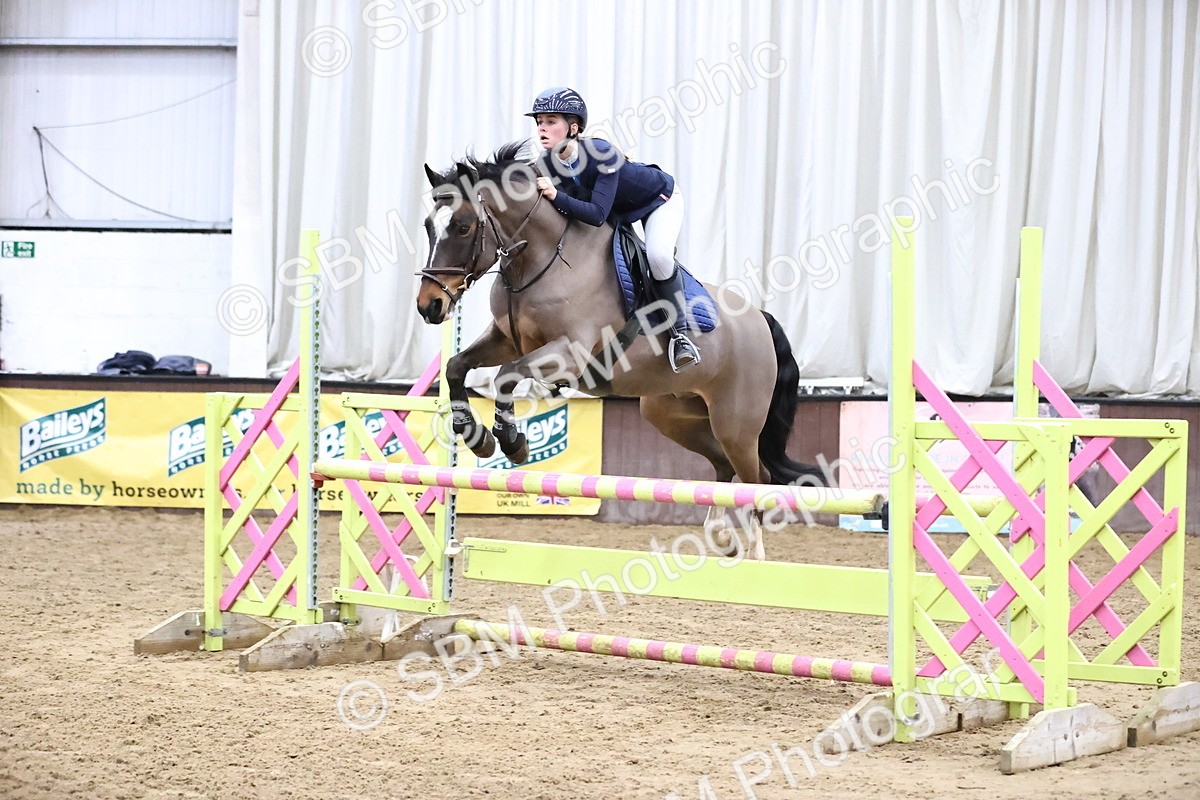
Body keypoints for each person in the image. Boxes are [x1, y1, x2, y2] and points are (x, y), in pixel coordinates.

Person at [525, 87, 700, 372]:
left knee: (658, 257)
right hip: (619, 210)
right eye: (539, 122)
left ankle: (680, 337)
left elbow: (596, 215)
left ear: (573, 127)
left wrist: (556, 196)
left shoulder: (602, 153)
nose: (542, 128)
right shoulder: (547, 163)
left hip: (658, 200)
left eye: (551, 121)